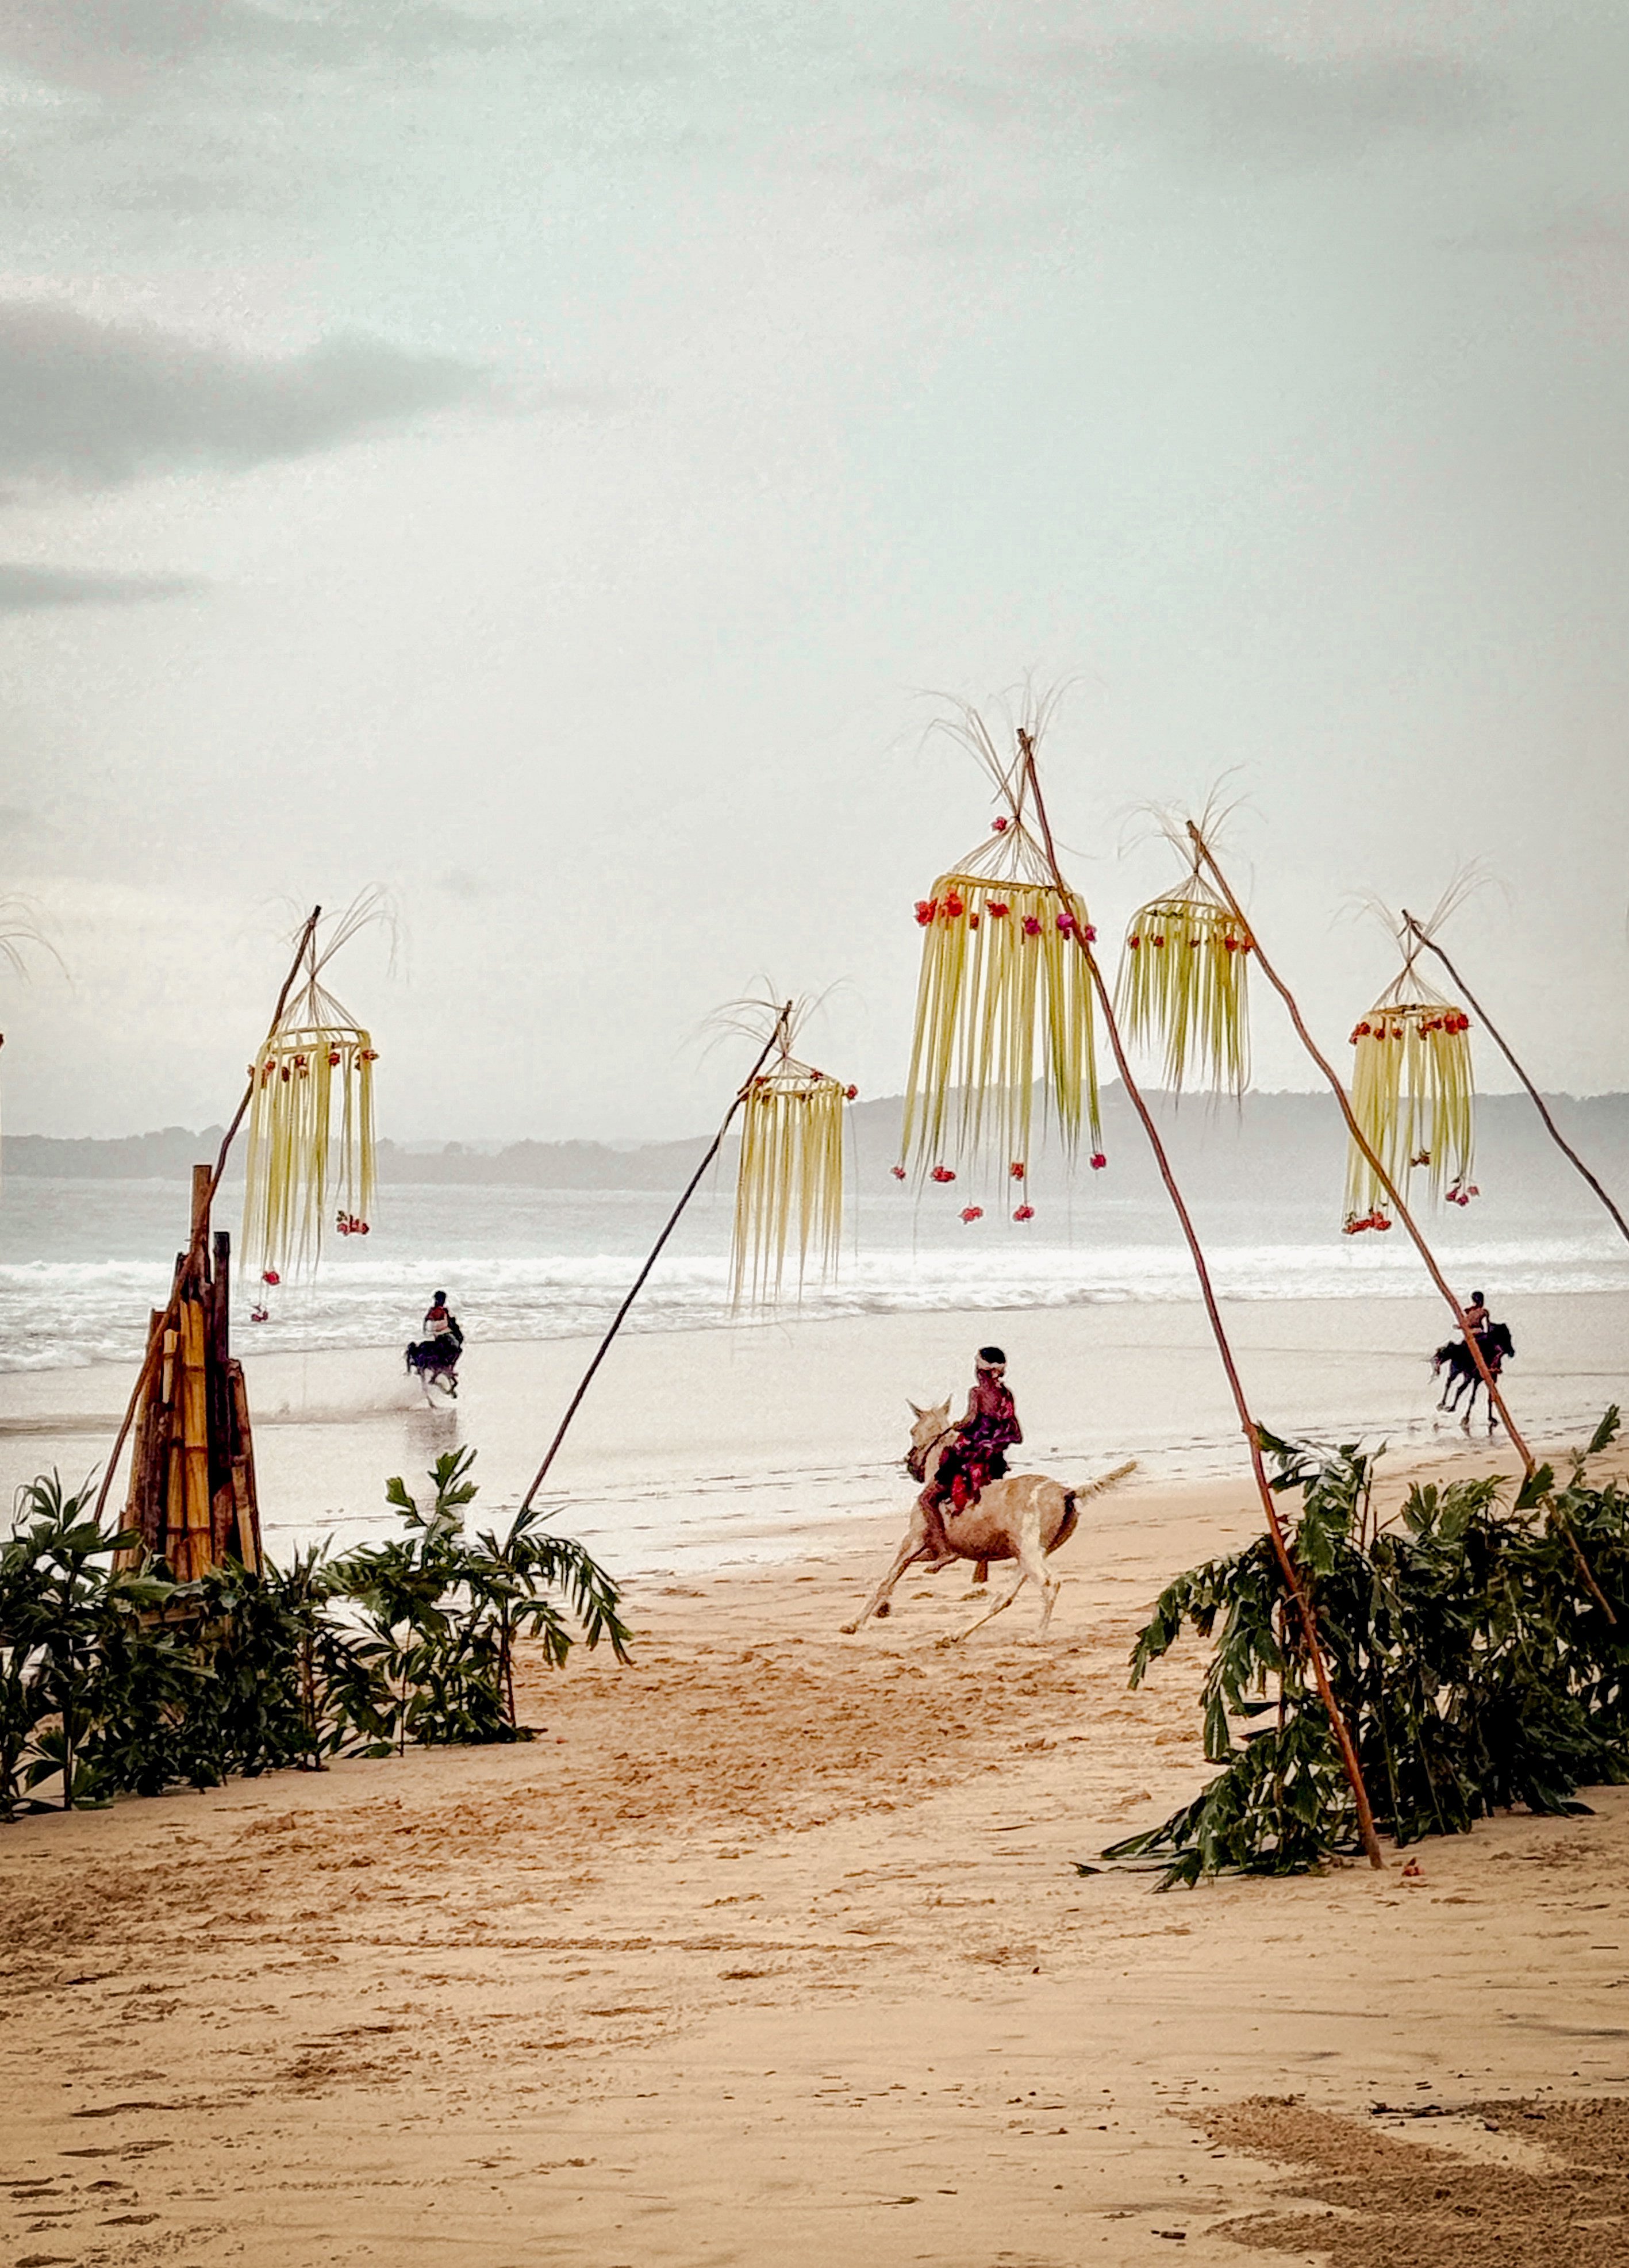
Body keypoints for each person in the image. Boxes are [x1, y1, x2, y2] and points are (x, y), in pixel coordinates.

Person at [918, 1345, 1023, 1569]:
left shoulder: (976, 1393)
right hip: (995, 1459)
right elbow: (1013, 1429)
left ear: (981, 1370)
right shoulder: (1006, 1395)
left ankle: (944, 1550)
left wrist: (958, 1424)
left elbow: (971, 1420)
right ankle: (981, 1563)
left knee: (928, 1499)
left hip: (972, 1457)